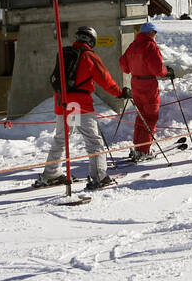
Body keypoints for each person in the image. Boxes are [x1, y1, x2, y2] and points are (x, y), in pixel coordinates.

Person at [35, 25, 130, 190]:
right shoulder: (89, 56)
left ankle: (51, 174)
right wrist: (120, 93)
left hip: (62, 102)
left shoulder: (65, 54)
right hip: (78, 105)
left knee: (61, 137)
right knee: (93, 140)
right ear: (92, 41)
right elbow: (104, 79)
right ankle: (99, 177)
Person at [118, 20, 169, 163]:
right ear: (151, 33)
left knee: (141, 115)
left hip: (136, 83)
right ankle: (144, 151)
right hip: (148, 84)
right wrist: (166, 72)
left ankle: (138, 147)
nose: (155, 35)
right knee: (150, 116)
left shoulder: (133, 45)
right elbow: (158, 69)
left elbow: (123, 65)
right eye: (155, 32)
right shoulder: (150, 46)